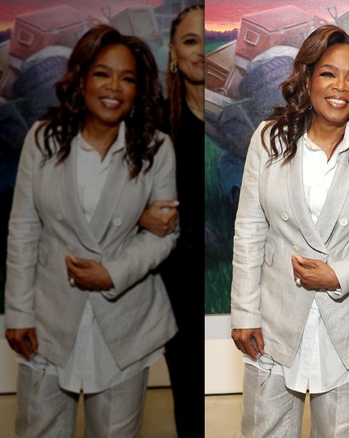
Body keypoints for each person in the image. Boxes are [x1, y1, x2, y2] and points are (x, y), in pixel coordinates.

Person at [230, 25, 349, 437]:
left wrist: (338, 274)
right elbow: (250, 228)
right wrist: (244, 312)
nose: (340, 86)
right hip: (274, 318)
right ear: (307, 80)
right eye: (328, 73)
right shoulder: (269, 139)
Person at [4, 24, 177, 436]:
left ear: (139, 90)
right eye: (102, 73)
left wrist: (112, 273)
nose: (114, 86)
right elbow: (24, 229)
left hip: (125, 323)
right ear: (80, 79)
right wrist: (18, 312)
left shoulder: (155, 148)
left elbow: (165, 233)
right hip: (48, 320)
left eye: (128, 77)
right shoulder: (43, 140)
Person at [138, 4, 205, 436]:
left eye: (205, 41)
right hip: (175, 280)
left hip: (242, 277)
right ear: (173, 54)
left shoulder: (238, 121)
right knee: (188, 395)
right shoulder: (154, 122)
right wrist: (138, 214)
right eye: (189, 41)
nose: (200, 52)